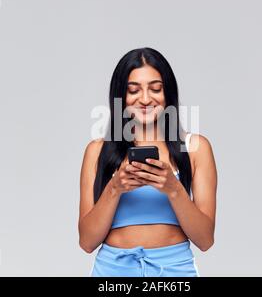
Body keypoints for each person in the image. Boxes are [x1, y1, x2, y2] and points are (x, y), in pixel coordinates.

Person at [79, 47, 217, 277]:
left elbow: (205, 240)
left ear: (168, 93)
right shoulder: (97, 151)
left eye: (155, 89)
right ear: (120, 97)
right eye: (133, 90)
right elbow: (86, 241)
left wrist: (173, 189)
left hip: (174, 271)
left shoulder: (195, 148)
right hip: (113, 271)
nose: (145, 99)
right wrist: (115, 188)